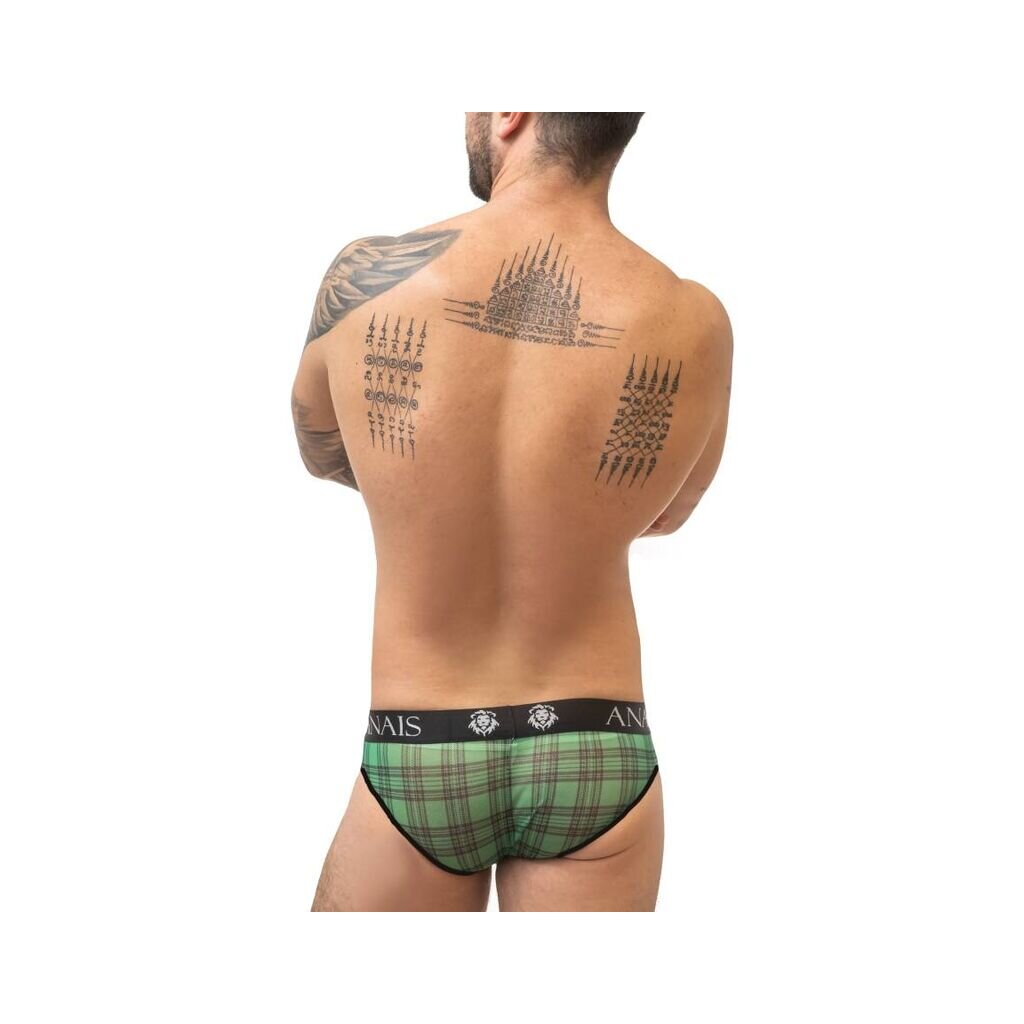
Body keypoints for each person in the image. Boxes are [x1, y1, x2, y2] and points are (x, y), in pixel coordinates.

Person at [292, 112, 732, 911]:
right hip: (596, 741)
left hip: (421, 740)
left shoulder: (371, 276)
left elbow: (320, 449)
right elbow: (669, 513)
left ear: (512, 112)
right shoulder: (693, 319)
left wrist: (423, 490)